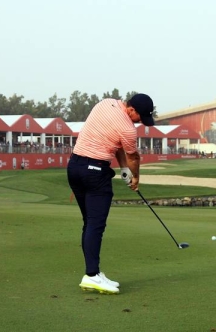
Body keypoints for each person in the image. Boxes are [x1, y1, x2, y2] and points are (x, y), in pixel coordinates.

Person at [67, 93, 155, 295]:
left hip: (74, 167)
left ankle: (94, 273)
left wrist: (123, 168)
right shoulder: (128, 128)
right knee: (95, 225)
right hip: (95, 173)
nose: (140, 122)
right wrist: (135, 177)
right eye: (140, 117)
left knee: (89, 222)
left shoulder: (106, 103)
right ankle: (91, 276)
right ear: (131, 110)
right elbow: (134, 156)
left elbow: (114, 142)